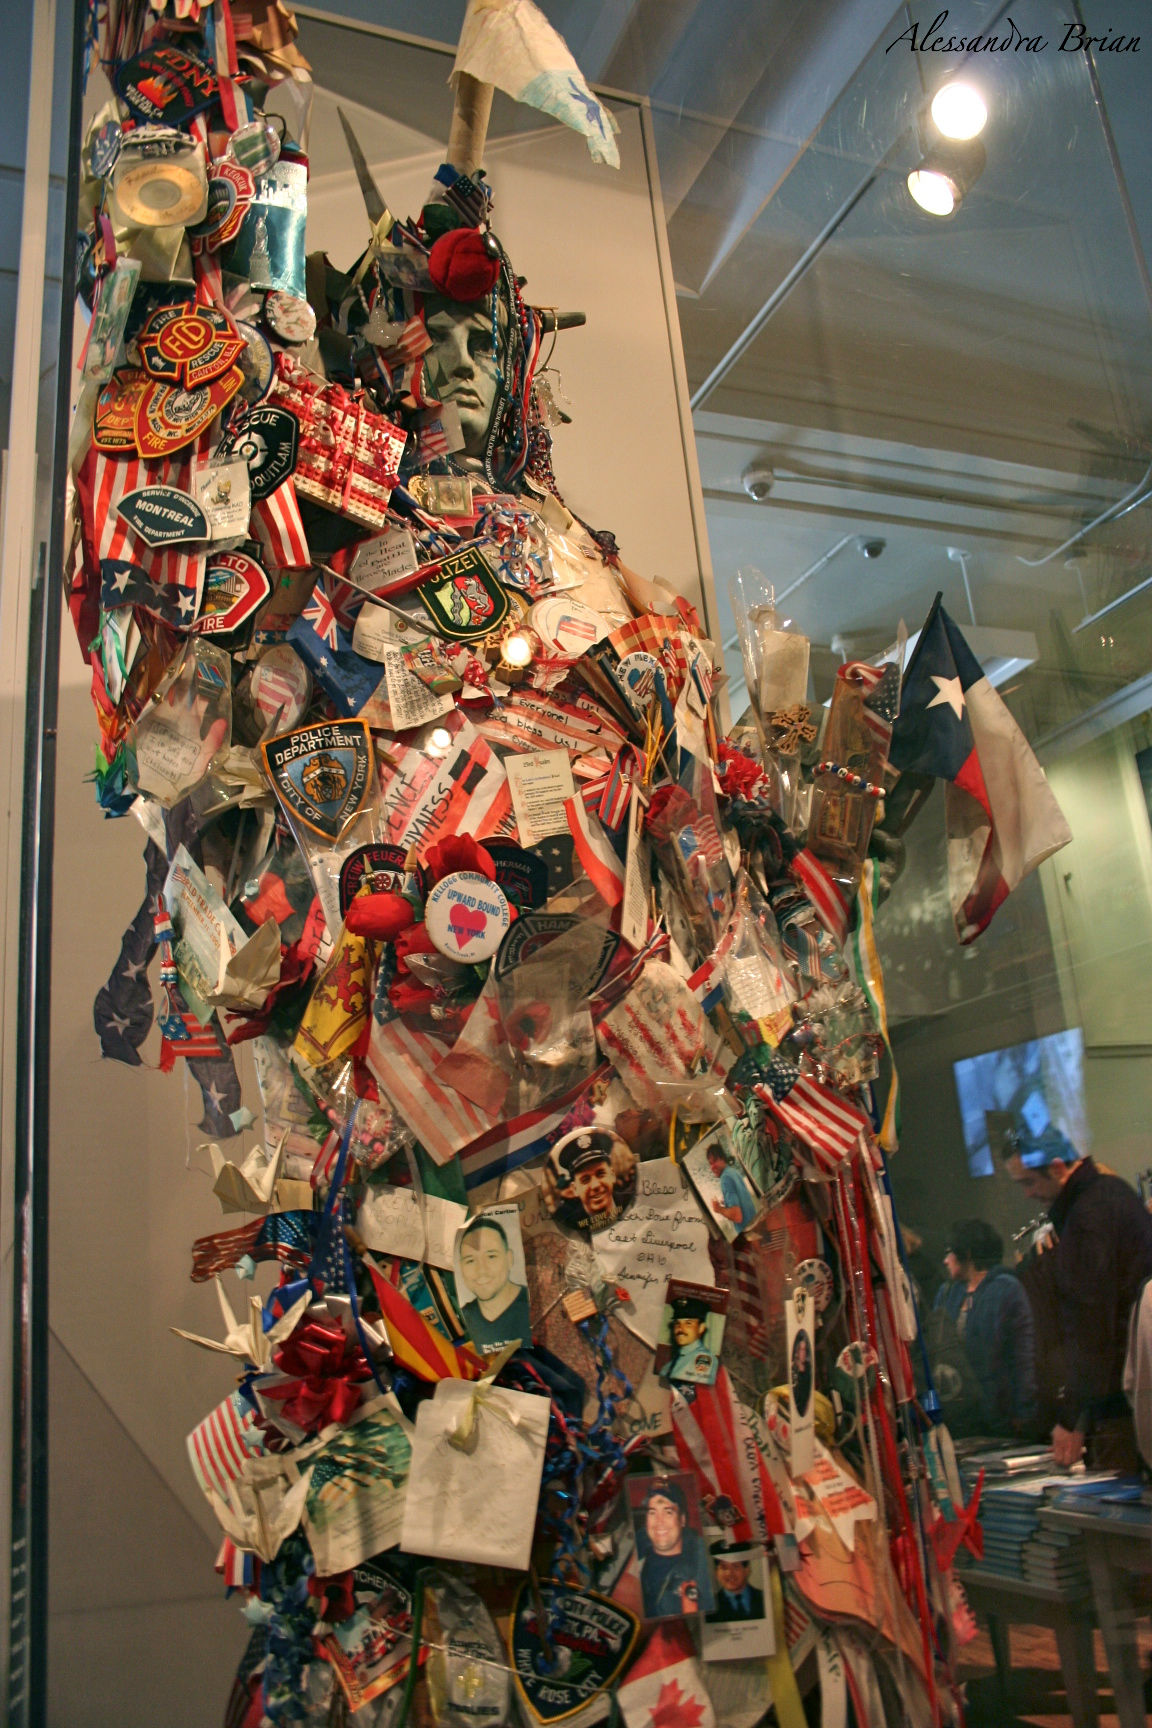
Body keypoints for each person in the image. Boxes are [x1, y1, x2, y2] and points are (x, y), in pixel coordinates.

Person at [1001, 1129, 1152, 1469]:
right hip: (1129, 1388)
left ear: (1057, 1167)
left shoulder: (1088, 1215)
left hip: (1120, 1403)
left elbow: (1090, 1322)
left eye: (1029, 1182)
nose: (1028, 1194)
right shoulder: (1110, 1193)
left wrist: (1071, 1418)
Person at [932, 1219, 1036, 1438]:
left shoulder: (1006, 1288)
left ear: (967, 1254)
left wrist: (1024, 1409)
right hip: (958, 1410)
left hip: (998, 1410)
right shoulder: (948, 1292)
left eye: (950, 1252)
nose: (946, 1260)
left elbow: (1023, 1354)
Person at [635, 1479, 711, 1620]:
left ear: (682, 1520)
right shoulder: (632, 1563)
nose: (659, 1521)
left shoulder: (702, 1568)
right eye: (652, 1513)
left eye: (668, 1512)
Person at [456, 1216, 532, 1355]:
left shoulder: (535, 1303)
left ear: (509, 1258)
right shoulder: (463, 1319)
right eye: (470, 1260)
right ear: (461, 1267)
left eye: (491, 1256)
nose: (481, 1270)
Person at [545, 1127, 636, 1232]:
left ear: (612, 1175)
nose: (595, 1185)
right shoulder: (569, 1224)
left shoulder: (633, 1201)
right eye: (585, 1180)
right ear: (575, 1189)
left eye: (600, 1174)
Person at [663, 1294, 720, 1384]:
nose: (680, 1328)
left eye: (688, 1323)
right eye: (677, 1323)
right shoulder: (674, 1360)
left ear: (701, 1328)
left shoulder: (704, 1359)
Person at [706, 1142, 759, 1232]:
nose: (712, 1167)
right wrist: (726, 1202)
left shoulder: (725, 1179)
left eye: (714, 1161)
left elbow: (737, 1216)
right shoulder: (733, 1172)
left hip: (749, 1232)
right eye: (710, 1164)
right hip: (757, 1223)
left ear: (722, 1159)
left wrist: (719, 1209)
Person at [706, 1545, 765, 1622]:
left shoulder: (764, 1599)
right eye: (724, 1568)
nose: (729, 1573)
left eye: (735, 1566)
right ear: (716, 1573)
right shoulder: (709, 1607)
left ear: (747, 1570)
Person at [790, 1329, 813, 1417]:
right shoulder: (792, 1369)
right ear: (796, 1351)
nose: (804, 1353)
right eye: (801, 1350)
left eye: (805, 1350)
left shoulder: (808, 1370)